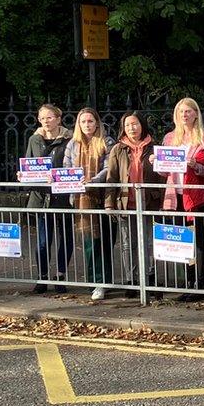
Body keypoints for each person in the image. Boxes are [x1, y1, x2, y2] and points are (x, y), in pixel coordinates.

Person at [149, 97, 204, 302]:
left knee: (198, 241)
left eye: (188, 111)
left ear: (196, 113)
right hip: (175, 196)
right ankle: (189, 282)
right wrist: (156, 162)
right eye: (181, 112)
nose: (184, 115)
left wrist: (194, 164)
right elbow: (164, 172)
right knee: (181, 240)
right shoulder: (170, 137)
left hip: (196, 196)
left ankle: (201, 282)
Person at [104, 111, 163, 291]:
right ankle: (132, 280)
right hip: (125, 202)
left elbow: (163, 176)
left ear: (142, 125)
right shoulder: (118, 149)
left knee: (149, 243)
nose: (132, 128)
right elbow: (111, 177)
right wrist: (109, 203)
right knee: (128, 244)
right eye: (128, 125)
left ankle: (149, 278)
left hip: (149, 202)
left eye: (135, 124)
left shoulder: (154, 148)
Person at [63, 107, 116, 301]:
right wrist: (73, 181)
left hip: (102, 198)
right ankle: (95, 281)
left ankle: (105, 280)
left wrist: (92, 181)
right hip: (80, 200)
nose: (87, 125)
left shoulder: (107, 142)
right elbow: (67, 168)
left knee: (105, 241)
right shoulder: (72, 144)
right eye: (83, 122)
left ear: (97, 123)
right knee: (89, 243)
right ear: (79, 124)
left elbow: (108, 168)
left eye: (91, 121)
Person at [21, 104, 73, 294]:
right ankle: (42, 277)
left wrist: (61, 177)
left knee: (65, 239)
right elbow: (28, 163)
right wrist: (23, 175)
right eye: (42, 118)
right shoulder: (34, 140)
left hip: (64, 196)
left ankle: (60, 276)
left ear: (58, 119)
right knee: (43, 241)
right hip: (42, 197)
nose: (46, 121)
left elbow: (73, 165)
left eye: (49, 118)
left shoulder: (70, 139)